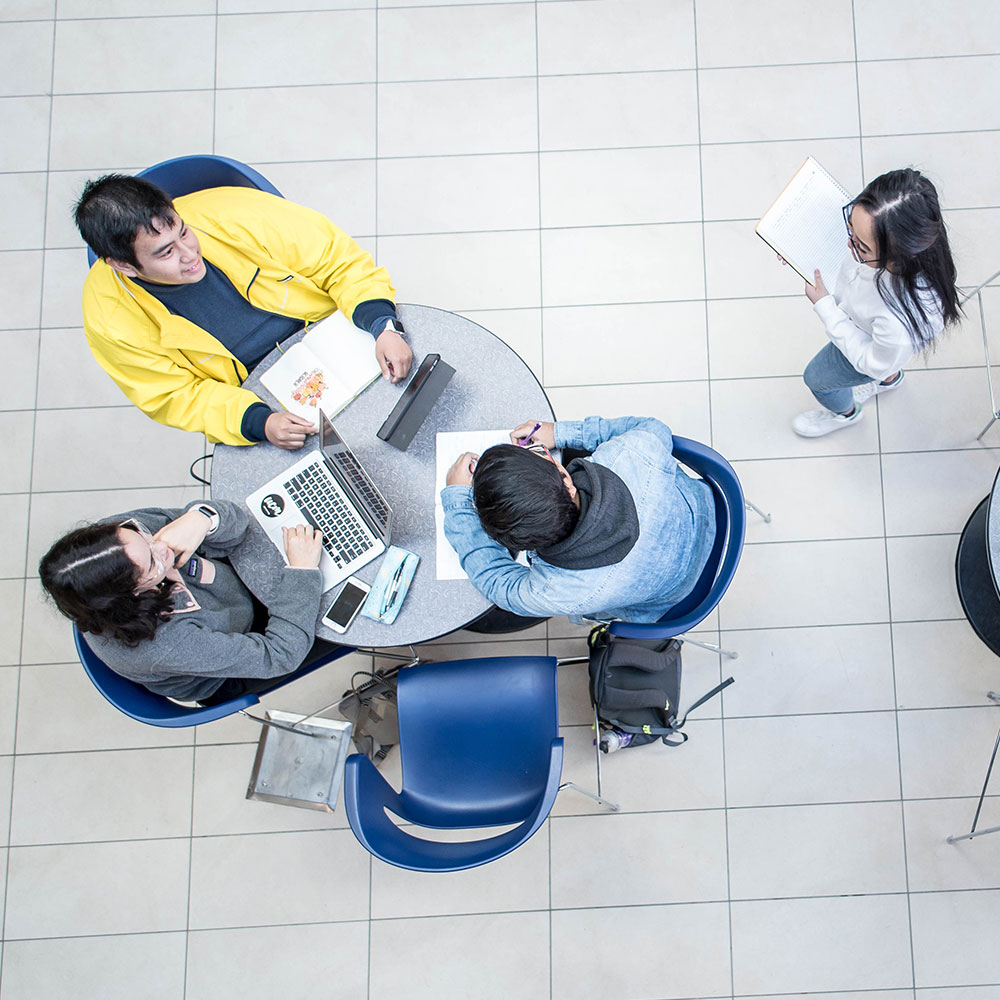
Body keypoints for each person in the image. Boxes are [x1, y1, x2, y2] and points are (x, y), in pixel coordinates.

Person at [75, 174, 413, 450]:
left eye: (183, 232)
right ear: (123, 265)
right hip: (257, 395)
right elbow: (175, 396)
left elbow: (339, 262)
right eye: (166, 253)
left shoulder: (235, 211)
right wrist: (258, 421)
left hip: (337, 334)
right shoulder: (109, 319)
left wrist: (383, 325)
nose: (190, 253)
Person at [39, 499, 329, 705]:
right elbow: (279, 655)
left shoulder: (123, 540)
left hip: (229, 596)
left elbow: (237, 524)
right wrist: (301, 571)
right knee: (343, 618)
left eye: (144, 536)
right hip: (231, 660)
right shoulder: (166, 643)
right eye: (152, 562)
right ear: (131, 596)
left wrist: (203, 518)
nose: (162, 545)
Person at [441, 416, 716, 624]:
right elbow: (654, 428)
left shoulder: (556, 589)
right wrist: (558, 432)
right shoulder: (628, 455)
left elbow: (498, 585)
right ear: (566, 481)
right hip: (709, 513)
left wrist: (459, 504)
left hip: (676, 600)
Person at [791, 167, 961, 437]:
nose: (849, 245)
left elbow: (873, 361)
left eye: (862, 247)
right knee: (888, 362)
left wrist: (825, 306)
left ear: (901, 255)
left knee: (816, 378)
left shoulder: (897, 322)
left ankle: (846, 414)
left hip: (866, 342)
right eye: (850, 229)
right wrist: (800, 251)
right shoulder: (905, 243)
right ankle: (889, 380)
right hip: (876, 337)